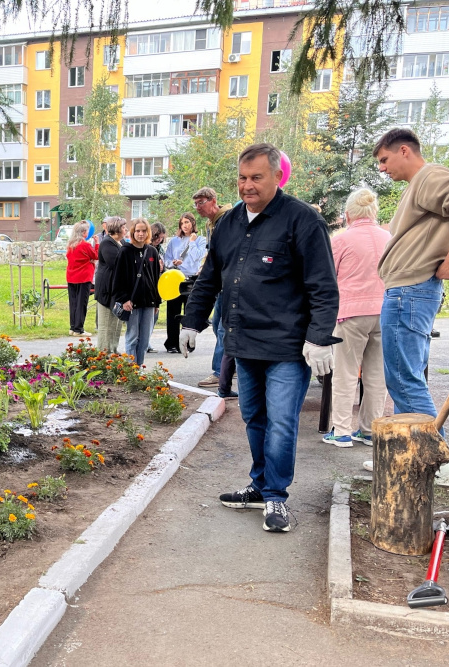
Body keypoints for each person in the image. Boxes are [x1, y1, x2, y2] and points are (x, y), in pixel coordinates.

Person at [180, 143, 340, 533]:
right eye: (242, 178)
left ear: (277, 177)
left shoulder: (303, 221)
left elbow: (323, 286)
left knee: (282, 422)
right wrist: (191, 322)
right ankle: (260, 485)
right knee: (254, 418)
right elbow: (210, 278)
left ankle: (276, 496)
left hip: (287, 347)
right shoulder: (229, 223)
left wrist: (320, 337)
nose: (247, 185)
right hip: (244, 342)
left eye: (256, 177)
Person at [367, 128, 449, 481]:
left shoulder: (430, 176)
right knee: (404, 377)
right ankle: (414, 454)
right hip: (409, 290)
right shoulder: (419, 185)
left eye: (384, 159)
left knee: (404, 379)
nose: (382, 168)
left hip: (410, 291)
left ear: (405, 150)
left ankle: (439, 461)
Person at [322, 188, 392, 447]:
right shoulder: (389, 238)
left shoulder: (341, 240)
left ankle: (341, 430)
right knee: (376, 375)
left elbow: (329, 277)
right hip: (384, 311)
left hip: (351, 313)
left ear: (348, 214)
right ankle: (370, 430)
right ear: (374, 212)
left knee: (346, 373)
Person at [192, 187, 232, 388]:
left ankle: (220, 372)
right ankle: (229, 365)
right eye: (195, 204)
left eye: (201, 202)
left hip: (229, 283)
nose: (198, 207)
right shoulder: (210, 223)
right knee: (217, 325)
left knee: (224, 328)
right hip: (219, 283)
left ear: (213, 200)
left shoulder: (228, 219)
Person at [112, 219, 161, 366]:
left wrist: (157, 301)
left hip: (149, 301)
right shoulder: (125, 251)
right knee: (133, 337)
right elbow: (118, 278)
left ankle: (139, 367)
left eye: (144, 231)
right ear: (133, 232)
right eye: (138, 231)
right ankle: (131, 369)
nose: (141, 234)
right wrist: (124, 299)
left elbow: (156, 278)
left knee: (145, 339)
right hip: (131, 302)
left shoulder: (152, 251)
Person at [163, 213, 207, 353]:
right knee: (173, 312)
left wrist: (192, 242)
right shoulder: (174, 241)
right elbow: (166, 259)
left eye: (187, 222)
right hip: (176, 278)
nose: (185, 225)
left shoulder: (200, 240)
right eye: (182, 223)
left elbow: (197, 257)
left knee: (190, 312)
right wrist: (173, 263)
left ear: (193, 223)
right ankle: (172, 343)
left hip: (191, 279)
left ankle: (187, 343)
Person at [95, 217, 127, 352]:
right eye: (124, 227)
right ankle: (104, 352)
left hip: (117, 288)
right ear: (117, 228)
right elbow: (117, 264)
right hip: (106, 289)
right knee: (106, 323)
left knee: (116, 322)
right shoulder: (107, 243)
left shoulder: (121, 242)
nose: (126, 229)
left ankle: (113, 349)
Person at [65, 220, 98, 336]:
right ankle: (79, 329)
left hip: (71, 276)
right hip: (84, 277)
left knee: (73, 302)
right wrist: (97, 244)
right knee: (81, 303)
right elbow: (96, 255)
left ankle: (73, 327)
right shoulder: (85, 245)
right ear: (84, 232)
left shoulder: (70, 245)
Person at [147, 222, 167, 354]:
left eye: (161, 238)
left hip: (157, 284)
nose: (159, 240)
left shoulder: (160, 249)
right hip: (148, 283)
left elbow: (164, 266)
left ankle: (147, 340)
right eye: (157, 237)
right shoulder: (146, 247)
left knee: (155, 314)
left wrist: (163, 268)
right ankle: (143, 341)